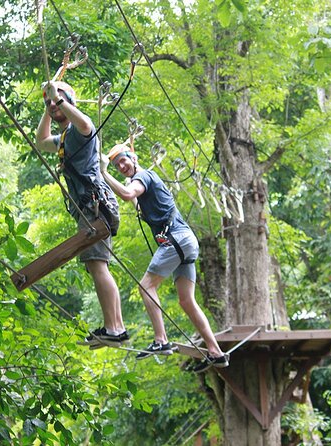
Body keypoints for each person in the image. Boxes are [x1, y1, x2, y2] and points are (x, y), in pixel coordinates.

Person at [100, 143, 228, 372]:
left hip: (176, 239)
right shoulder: (141, 179)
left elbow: (129, 194)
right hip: (186, 242)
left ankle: (161, 340)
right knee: (186, 301)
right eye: (117, 164)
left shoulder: (144, 175)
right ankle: (215, 351)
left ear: (134, 158)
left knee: (146, 287)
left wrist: (104, 172)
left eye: (124, 160)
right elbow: (132, 195)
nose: (121, 166)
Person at [35, 81, 128, 348]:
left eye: (59, 101)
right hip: (89, 208)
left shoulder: (79, 131)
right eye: (50, 103)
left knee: (97, 265)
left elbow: (87, 124)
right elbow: (41, 142)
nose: (54, 106)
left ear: (70, 102)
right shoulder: (64, 137)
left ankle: (114, 327)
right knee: (96, 265)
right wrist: (48, 104)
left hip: (95, 205)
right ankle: (115, 327)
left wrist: (60, 100)